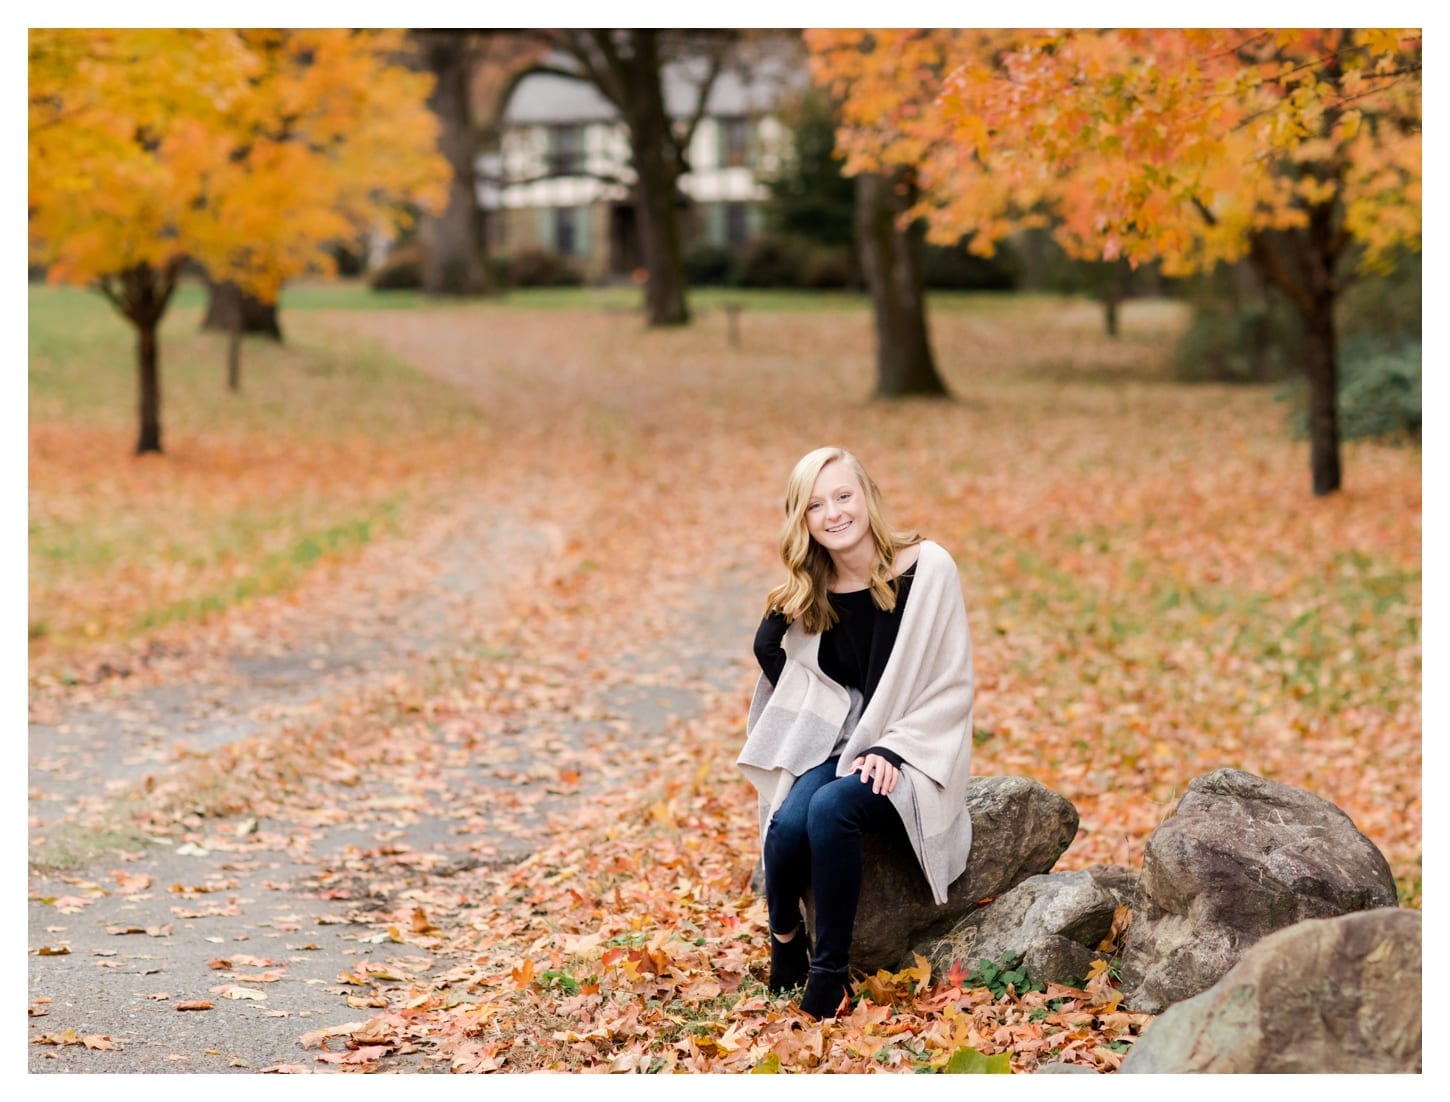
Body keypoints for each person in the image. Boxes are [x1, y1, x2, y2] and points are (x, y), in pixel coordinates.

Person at [737, 446, 976, 1020]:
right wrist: (812, 694)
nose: (834, 513)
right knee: (787, 822)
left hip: (914, 746)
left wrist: (894, 747)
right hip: (846, 740)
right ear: (803, 520)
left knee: (831, 810)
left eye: (844, 496)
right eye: (816, 505)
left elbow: (952, 681)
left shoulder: (928, 568)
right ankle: (786, 938)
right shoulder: (812, 588)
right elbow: (773, 655)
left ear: (867, 496)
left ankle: (830, 976)